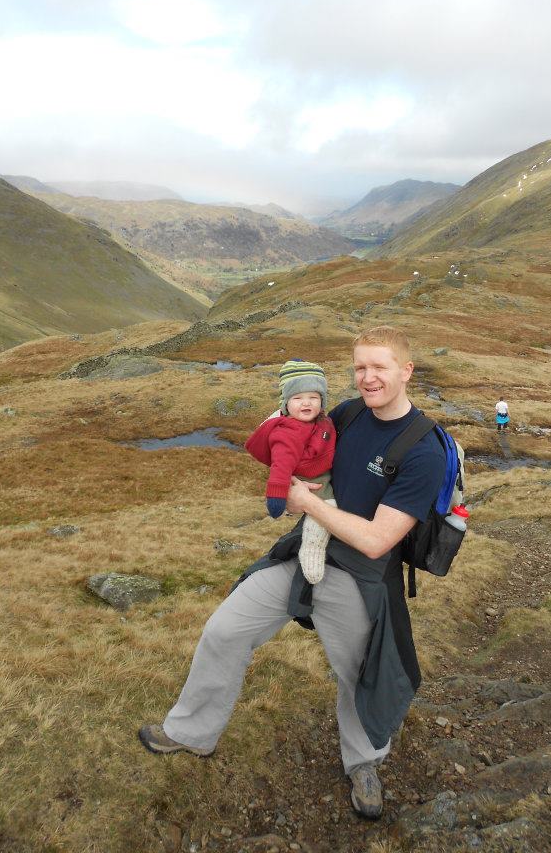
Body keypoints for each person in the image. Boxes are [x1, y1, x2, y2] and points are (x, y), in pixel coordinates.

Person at [138, 327, 446, 820]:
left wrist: (302, 501)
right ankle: (189, 732)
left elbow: (376, 540)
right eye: (360, 368)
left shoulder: (423, 450)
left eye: (380, 367)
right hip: (303, 553)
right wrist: (279, 432)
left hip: (362, 577)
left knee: (358, 675)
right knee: (224, 630)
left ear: (406, 371)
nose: (368, 379)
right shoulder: (346, 415)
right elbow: (293, 444)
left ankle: (364, 762)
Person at [244, 358, 337, 584]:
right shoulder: (288, 432)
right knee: (327, 511)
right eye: (297, 398)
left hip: (321, 473)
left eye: (313, 397)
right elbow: (281, 468)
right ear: (286, 403)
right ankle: (311, 550)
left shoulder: (318, 421)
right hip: (312, 480)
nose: (306, 403)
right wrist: (277, 497)